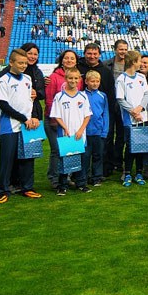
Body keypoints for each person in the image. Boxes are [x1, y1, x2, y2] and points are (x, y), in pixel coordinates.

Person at [0, 49, 42, 204]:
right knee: (7, 159)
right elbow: (3, 104)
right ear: (11, 62)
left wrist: (33, 117)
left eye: (25, 63)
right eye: (20, 63)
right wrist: (23, 118)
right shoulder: (4, 80)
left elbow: (30, 102)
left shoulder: (28, 79)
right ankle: (3, 189)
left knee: (28, 158)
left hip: (28, 125)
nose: (23, 66)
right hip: (10, 125)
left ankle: (27, 187)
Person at [45, 50, 84, 189]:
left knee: (70, 148)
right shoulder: (54, 77)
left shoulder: (78, 77)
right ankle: (54, 178)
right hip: (55, 120)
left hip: (71, 122)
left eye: (72, 58)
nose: (69, 60)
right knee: (56, 150)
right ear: (62, 60)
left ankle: (67, 177)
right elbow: (49, 100)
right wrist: (53, 119)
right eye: (66, 58)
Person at [50, 67, 93, 196]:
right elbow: (56, 115)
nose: (73, 81)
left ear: (79, 79)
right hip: (65, 134)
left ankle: (81, 183)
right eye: (70, 78)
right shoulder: (59, 96)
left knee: (81, 158)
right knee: (65, 159)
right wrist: (65, 128)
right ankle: (62, 185)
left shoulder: (83, 96)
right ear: (66, 79)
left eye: (76, 78)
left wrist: (81, 130)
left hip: (80, 134)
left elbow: (87, 115)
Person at [77, 43, 116, 176]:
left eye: (95, 53)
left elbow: (110, 95)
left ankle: (101, 173)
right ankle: (81, 175)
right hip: (82, 120)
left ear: (99, 55)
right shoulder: (78, 68)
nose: (92, 56)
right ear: (84, 54)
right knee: (84, 152)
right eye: (89, 53)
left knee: (102, 149)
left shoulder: (105, 71)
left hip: (100, 119)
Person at [116, 50, 148, 186]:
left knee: (141, 146)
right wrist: (132, 111)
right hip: (129, 118)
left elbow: (146, 94)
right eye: (139, 61)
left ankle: (139, 172)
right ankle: (128, 173)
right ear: (133, 62)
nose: (141, 63)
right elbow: (120, 98)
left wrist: (140, 108)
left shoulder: (141, 77)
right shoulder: (121, 79)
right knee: (130, 146)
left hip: (142, 117)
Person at [103, 40, 128, 177]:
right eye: (120, 49)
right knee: (108, 135)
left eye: (125, 49)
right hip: (110, 104)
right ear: (115, 50)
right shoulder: (107, 64)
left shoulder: (129, 65)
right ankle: (108, 162)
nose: (123, 52)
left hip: (123, 106)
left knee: (121, 136)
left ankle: (118, 162)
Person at [84, 70, 109, 187]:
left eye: (97, 81)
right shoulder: (82, 95)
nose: (94, 84)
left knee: (98, 155)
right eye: (92, 81)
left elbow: (106, 114)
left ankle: (97, 177)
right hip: (85, 132)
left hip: (98, 131)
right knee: (85, 155)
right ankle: (84, 176)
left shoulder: (102, 96)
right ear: (86, 82)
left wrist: (105, 130)